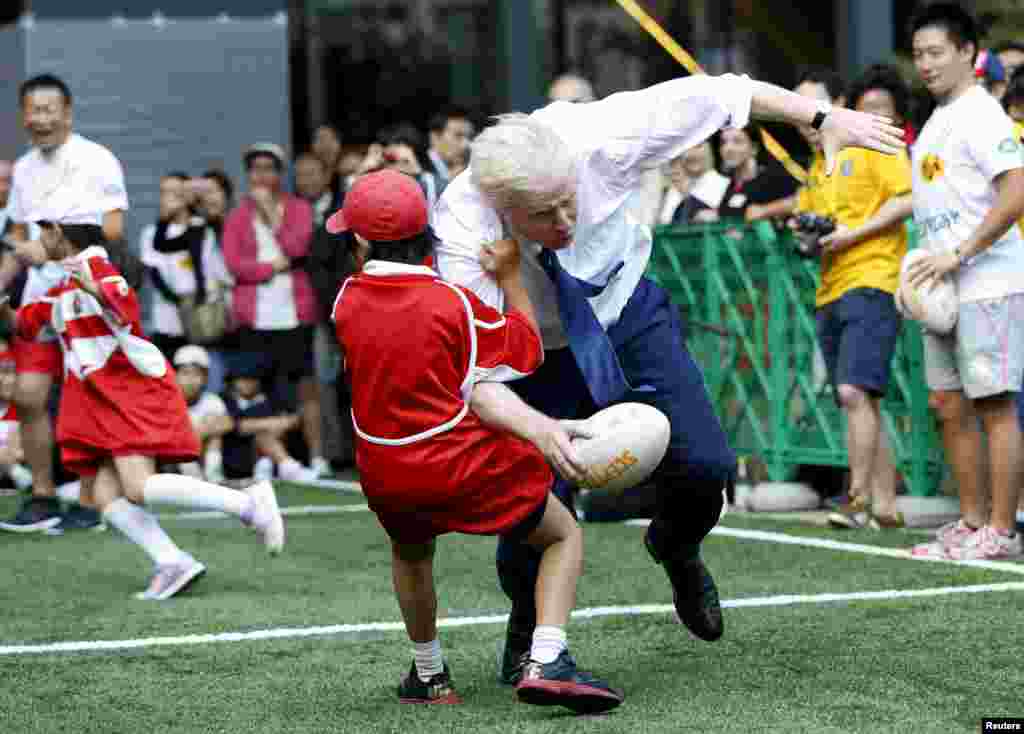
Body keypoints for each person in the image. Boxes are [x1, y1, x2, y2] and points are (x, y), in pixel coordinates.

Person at [432, 69, 905, 683]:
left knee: (707, 468)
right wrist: (541, 430)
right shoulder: (464, 228)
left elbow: (724, 92)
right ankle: (527, 631)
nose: (566, 222)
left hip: (626, 310)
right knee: (532, 504)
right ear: (504, 211)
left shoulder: (602, 134)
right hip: (534, 351)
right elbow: (479, 378)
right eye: (545, 217)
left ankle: (677, 546)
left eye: (569, 200)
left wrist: (820, 119)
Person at [330, 169, 623, 712]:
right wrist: (511, 278)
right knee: (562, 535)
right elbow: (527, 350)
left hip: (385, 469)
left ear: (361, 242)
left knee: (412, 554)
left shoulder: (345, 301)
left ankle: (430, 677)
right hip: (459, 463)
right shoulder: (454, 303)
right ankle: (548, 657)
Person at [6, 222, 284, 598]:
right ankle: (172, 561)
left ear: (58, 234)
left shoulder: (96, 268)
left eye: (43, 235)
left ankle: (248, 504)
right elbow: (21, 324)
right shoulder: (61, 288)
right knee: (106, 495)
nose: (36, 244)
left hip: (125, 391)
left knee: (136, 487)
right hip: (102, 399)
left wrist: (96, 289)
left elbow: (121, 300)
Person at [906, 3, 1024, 560]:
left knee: (994, 404)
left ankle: (1001, 530)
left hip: (989, 282)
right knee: (946, 404)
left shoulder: (982, 113)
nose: (925, 64)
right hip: (941, 289)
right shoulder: (933, 123)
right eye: (918, 55)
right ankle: (971, 521)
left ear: (966, 54)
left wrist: (961, 252)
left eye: (935, 53)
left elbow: (1017, 190)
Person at [783, 66, 914, 531]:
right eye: (795, 104)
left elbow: (906, 199)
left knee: (853, 391)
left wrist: (853, 233)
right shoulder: (817, 168)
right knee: (862, 401)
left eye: (811, 101)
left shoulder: (873, 143)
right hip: (831, 285)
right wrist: (804, 231)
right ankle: (884, 505)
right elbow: (814, 229)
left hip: (873, 277)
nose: (802, 113)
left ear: (836, 102)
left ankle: (856, 498)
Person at [0, 74, 127, 534]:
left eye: (50, 109)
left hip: (85, 295)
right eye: (33, 110)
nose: (41, 118)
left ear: (68, 113)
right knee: (28, 395)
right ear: (23, 116)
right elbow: (16, 235)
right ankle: (42, 495)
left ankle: (91, 502)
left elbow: (113, 228)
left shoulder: (97, 160)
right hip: (39, 297)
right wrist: (12, 267)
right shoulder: (25, 168)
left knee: (88, 398)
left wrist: (56, 247)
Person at [222, 143, 327, 478]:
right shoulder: (237, 215)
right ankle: (268, 458)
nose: (262, 174)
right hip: (255, 315)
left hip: (294, 313)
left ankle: (317, 456)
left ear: (280, 174)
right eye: (256, 168)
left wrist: (270, 215)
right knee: (256, 389)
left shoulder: (297, 209)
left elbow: (297, 247)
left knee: (304, 387)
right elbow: (235, 265)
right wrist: (272, 268)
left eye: (269, 168)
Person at [219, 363, 314, 483]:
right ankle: (289, 467)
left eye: (251, 379)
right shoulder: (224, 400)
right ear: (233, 381)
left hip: (275, 449)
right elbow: (234, 425)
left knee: (266, 435)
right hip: (237, 455)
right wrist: (270, 423)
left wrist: (279, 424)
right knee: (263, 433)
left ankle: (274, 465)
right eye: (242, 379)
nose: (246, 383)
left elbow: (292, 420)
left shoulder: (272, 398)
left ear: (259, 381)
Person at [714, 122, 799, 222]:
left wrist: (766, 210)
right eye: (723, 143)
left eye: (737, 142)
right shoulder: (727, 183)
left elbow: (802, 199)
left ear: (754, 148)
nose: (728, 148)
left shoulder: (774, 175)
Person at [173, 345, 231, 483]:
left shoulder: (212, 400)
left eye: (196, 374)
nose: (191, 380)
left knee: (214, 431)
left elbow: (228, 423)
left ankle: (214, 478)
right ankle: (194, 481)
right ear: (175, 375)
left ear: (205, 378)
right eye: (185, 373)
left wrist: (198, 432)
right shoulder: (168, 401)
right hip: (174, 460)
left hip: (202, 453)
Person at [427, 106, 475, 192]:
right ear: (435, 137)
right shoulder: (417, 168)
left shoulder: (467, 171)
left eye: (469, 137)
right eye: (458, 135)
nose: (466, 144)